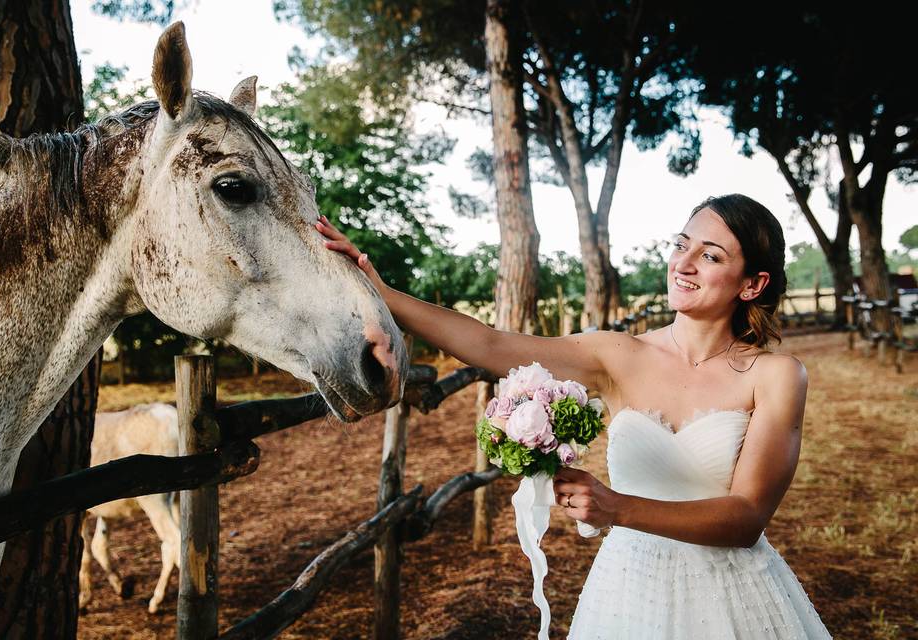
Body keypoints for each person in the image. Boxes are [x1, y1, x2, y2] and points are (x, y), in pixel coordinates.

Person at [317, 193, 831, 639]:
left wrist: (616, 509)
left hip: (731, 596)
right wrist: (382, 294)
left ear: (752, 284)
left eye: (710, 255)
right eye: (681, 244)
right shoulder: (615, 354)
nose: (684, 263)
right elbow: (488, 343)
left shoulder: (776, 376)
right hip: (631, 586)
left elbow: (746, 518)